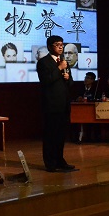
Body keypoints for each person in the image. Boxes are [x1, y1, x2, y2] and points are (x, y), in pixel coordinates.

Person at [36, 35, 75, 172]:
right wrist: (59, 68)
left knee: (60, 135)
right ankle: (50, 163)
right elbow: (46, 81)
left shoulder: (64, 62)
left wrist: (68, 78)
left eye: (62, 44)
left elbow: (71, 83)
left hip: (64, 105)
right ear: (49, 47)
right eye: (57, 44)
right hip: (51, 105)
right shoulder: (43, 62)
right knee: (50, 135)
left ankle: (60, 161)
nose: (60, 47)